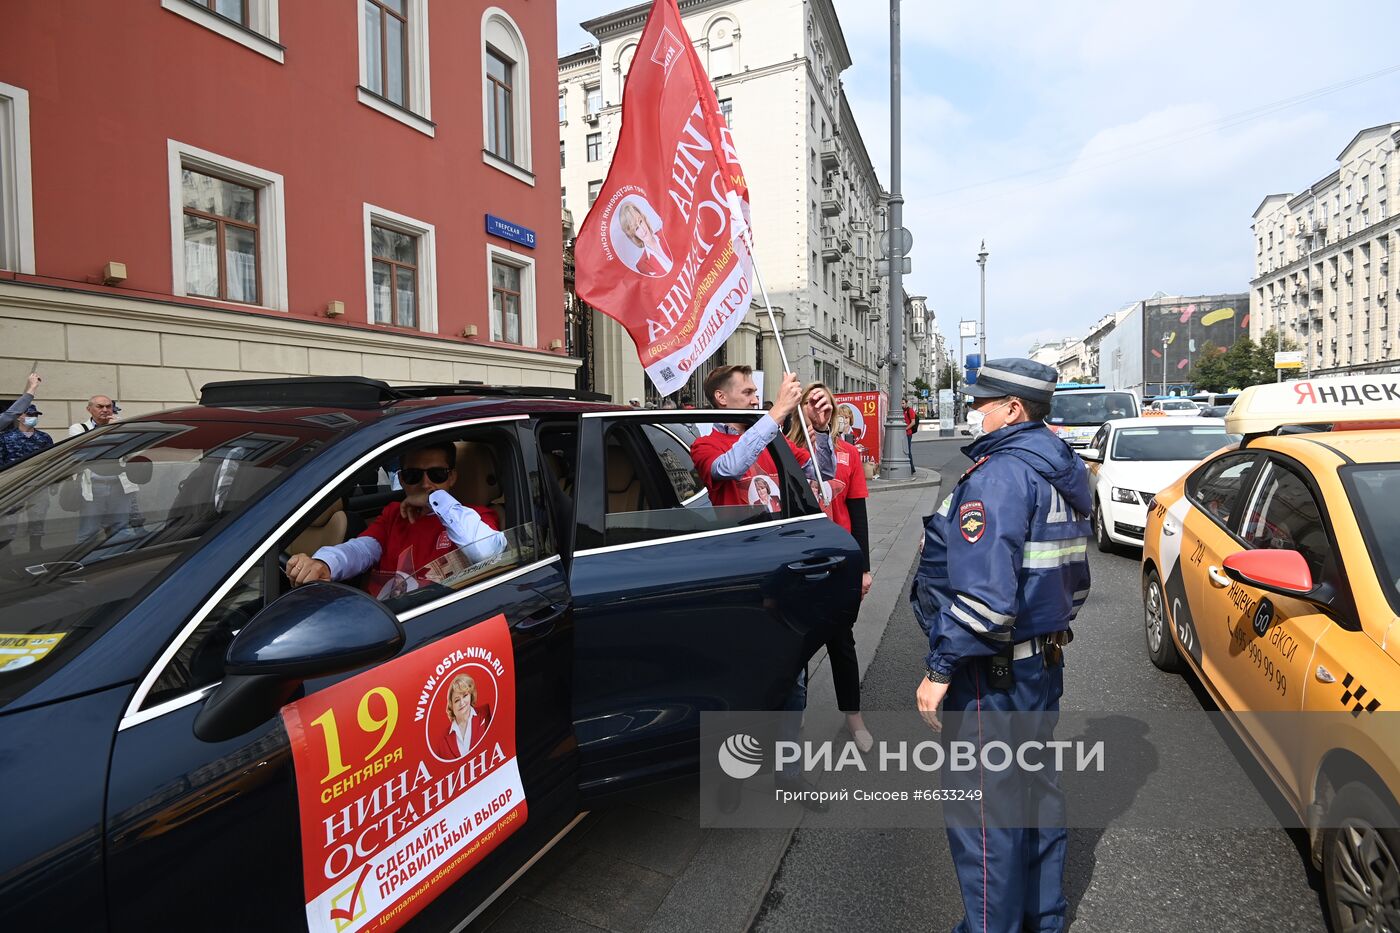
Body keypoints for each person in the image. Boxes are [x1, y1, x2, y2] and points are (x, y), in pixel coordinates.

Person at [911, 358, 1092, 933]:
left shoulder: (999, 476)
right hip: (1041, 663)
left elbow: (985, 600)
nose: (974, 415)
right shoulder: (1060, 468)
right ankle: (1043, 919)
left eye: (981, 405)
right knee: (1034, 796)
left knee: (987, 817)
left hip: (993, 678)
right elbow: (1074, 582)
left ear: (1013, 409)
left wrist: (939, 669)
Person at [691, 364, 832, 811]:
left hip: (783, 577)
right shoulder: (706, 444)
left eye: (758, 392)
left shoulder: (769, 438)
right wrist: (774, 414)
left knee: (795, 682)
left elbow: (812, 469)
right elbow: (730, 469)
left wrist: (819, 434)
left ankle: (789, 772)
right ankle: (732, 773)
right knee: (742, 685)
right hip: (740, 582)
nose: (756, 397)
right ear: (722, 399)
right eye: (749, 392)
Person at [286, 443, 507, 593]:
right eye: (413, 476)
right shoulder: (394, 514)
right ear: (401, 479)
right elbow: (362, 549)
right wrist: (324, 563)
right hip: (382, 622)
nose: (425, 484)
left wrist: (436, 500)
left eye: (437, 474)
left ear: (452, 478)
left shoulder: (473, 517)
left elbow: (485, 552)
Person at [787, 382, 874, 753]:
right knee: (798, 642)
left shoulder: (849, 454)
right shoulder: (788, 451)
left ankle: (853, 717)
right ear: (800, 408)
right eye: (810, 401)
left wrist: (864, 568)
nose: (818, 407)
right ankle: (797, 709)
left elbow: (858, 513)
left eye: (824, 402)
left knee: (842, 641)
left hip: (840, 562)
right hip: (800, 560)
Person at [430, 673, 493, 761]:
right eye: (457, 700)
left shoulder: (486, 713)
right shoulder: (442, 741)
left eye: (465, 696)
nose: (462, 703)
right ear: (451, 705)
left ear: (471, 695)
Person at [618, 199, 673, 276]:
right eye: (636, 228)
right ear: (633, 235)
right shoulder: (641, 266)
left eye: (640, 221)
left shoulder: (666, 232)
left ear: (644, 218)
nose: (642, 229)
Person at [0, 404, 53, 470]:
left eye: (36, 415)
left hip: (38, 475)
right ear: (18, 417)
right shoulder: (5, 437)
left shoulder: (44, 437)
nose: (34, 417)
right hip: (14, 477)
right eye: (30, 415)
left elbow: (50, 459)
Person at [902, 396, 919, 461]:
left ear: (906, 403)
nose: (902, 405)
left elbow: (913, 422)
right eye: (901, 403)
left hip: (908, 433)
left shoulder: (910, 410)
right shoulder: (902, 411)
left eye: (903, 403)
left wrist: (905, 429)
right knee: (904, 450)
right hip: (903, 433)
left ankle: (911, 468)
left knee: (907, 450)